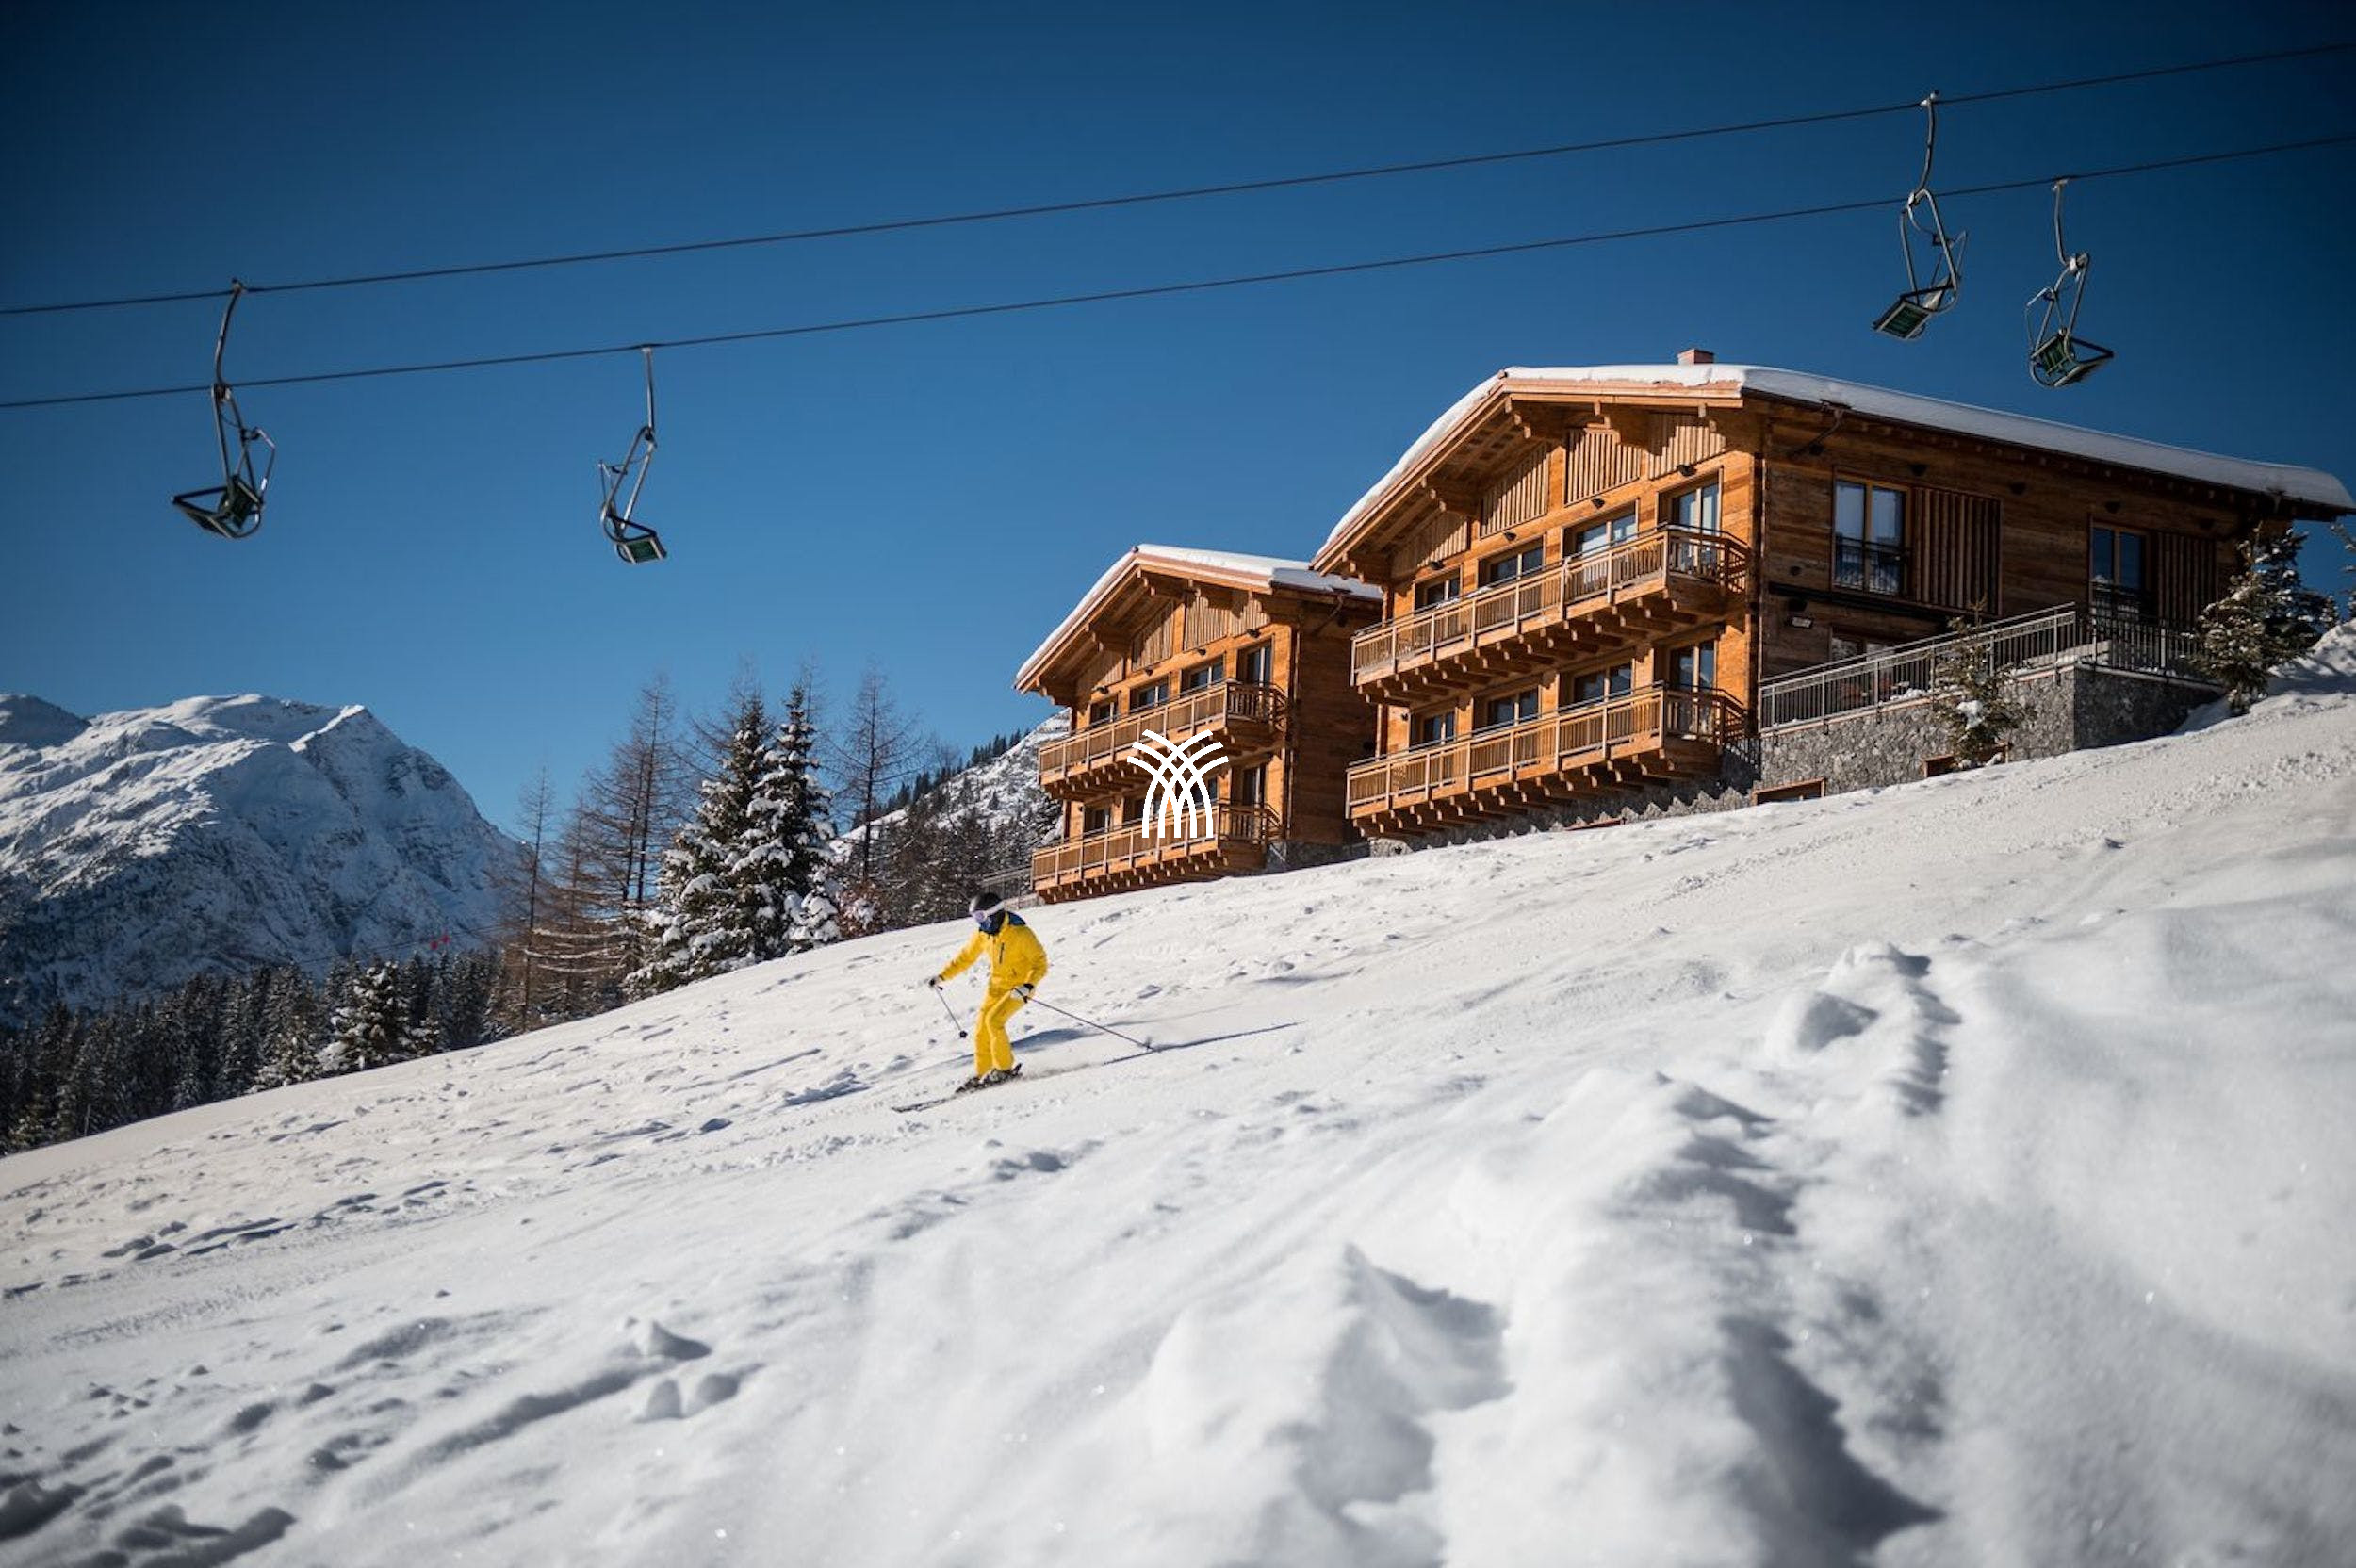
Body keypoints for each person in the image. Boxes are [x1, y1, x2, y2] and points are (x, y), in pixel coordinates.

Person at [926, 890, 1049, 1091]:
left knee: (995, 1021)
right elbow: (965, 957)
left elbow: (1040, 963)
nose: (979, 923)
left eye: (981, 917)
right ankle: (984, 1073)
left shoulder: (1021, 934)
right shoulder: (983, 935)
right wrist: (942, 976)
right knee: (981, 1030)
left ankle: (1004, 1070)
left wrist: (1028, 985)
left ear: (994, 913)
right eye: (975, 918)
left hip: (1018, 989)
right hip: (996, 988)